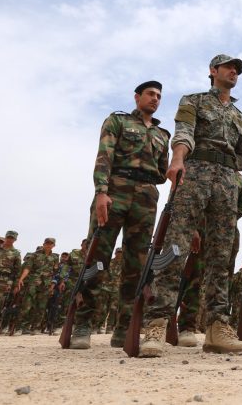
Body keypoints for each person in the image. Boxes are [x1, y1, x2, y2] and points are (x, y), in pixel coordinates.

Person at [140, 54, 242, 357]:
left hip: (227, 183)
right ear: (213, 71)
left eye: (237, 69)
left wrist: (227, 169)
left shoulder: (240, 116)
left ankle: (217, 328)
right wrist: (178, 159)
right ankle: (156, 325)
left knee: (222, 255)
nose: (233, 72)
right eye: (228, 67)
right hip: (195, 174)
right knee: (176, 248)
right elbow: (184, 133)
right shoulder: (194, 101)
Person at [67, 81, 170, 350]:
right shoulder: (118, 121)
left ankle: (124, 328)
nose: (155, 99)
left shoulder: (163, 134)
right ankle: (82, 324)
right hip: (115, 190)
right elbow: (104, 156)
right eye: (150, 94)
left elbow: (162, 172)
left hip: (146, 198)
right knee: (98, 258)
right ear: (137, 97)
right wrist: (101, 191)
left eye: (159, 96)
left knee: (137, 265)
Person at [15, 237, 58, 334]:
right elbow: (27, 268)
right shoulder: (35, 255)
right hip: (34, 282)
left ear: (53, 245)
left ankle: (35, 328)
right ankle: (19, 327)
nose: (48, 245)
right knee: (27, 305)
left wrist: (52, 284)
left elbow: (55, 272)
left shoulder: (55, 258)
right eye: (47, 243)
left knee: (41, 307)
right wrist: (21, 279)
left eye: (50, 243)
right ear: (43, 244)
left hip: (46, 284)